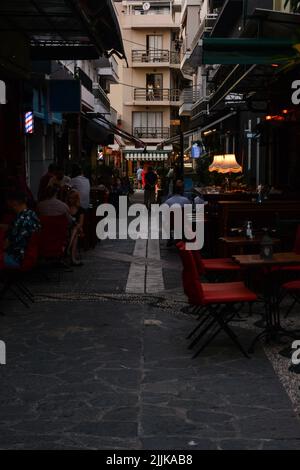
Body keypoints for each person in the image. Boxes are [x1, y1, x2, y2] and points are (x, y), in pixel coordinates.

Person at [3, 191, 40, 268]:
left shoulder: (19, 220)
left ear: (14, 202)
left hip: (18, 258)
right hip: (29, 255)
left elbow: (6, 245)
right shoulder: (32, 214)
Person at [66, 190, 85, 267]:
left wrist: (75, 226)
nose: (71, 200)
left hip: (78, 229)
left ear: (76, 199)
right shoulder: (66, 207)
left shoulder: (80, 209)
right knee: (75, 235)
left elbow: (80, 224)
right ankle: (73, 259)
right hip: (68, 229)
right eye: (70, 198)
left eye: (73, 198)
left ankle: (68, 248)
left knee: (75, 230)